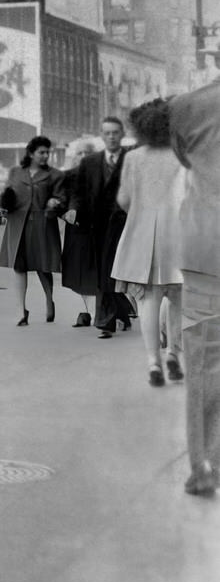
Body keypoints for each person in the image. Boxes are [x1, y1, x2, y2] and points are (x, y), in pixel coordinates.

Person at [111, 98, 185, 388]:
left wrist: (141, 211)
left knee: (148, 301)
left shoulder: (133, 158)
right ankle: (173, 355)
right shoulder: (182, 155)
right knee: (180, 300)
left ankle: (153, 362)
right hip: (179, 235)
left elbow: (124, 199)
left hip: (143, 237)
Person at [168, 81, 220, 495]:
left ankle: (204, 465)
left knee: (203, 357)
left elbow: (185, 160)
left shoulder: (185, 106)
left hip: (206, 241)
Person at [68, 117, 136, 339]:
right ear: (101, 135)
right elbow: (79, 192)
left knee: (112, 270)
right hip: (97, 226)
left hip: (125, 224)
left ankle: (112, 317)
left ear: (122, 133)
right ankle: (116, 316)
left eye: (116, 132)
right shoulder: (90, 162)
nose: (112, 137)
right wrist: (73, 210)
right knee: (104, 271)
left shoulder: (133, 159)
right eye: (107, 133)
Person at [0, 135, 65, 326]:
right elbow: (6, 194)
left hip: (43, 224)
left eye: (47, 153)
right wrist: (4, 201)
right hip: (18, 224)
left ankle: (49, 301)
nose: (45, 156)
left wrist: (55, 202)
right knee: (19, 267)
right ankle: (21, 311)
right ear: (31, 153)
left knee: (44, 266)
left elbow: (61, 197)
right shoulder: (15, 172)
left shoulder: (55, 175)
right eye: (41, 152)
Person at [57, 136, 101, 327]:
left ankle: (100, 312)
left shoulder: (104, 176)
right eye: (80, 153)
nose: (83, 156)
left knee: (97, 274)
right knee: (80, 274)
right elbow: (58, 202)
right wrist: (66, 214)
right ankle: (94, 311)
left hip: (98, 232)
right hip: (77, 232)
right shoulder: (67, 177)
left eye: (87, 153)